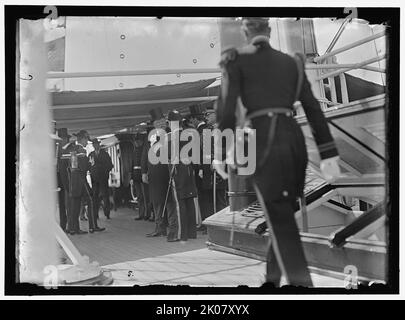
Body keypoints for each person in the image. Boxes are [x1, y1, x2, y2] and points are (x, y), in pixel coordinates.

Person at [214, 17, 341, 287]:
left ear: (245, 31)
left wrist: (221, 152)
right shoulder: (292, 62)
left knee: (280, 218)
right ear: (270, 31)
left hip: (263, 144)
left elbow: (225, 113)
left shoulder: (235, 60)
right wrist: (328, 153)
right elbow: (313, 109)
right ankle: (271, 282)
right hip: (294, 144)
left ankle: (303, 286)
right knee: (281, 214)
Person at [142, 108, 179, 241]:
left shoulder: (171, 134)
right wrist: (143, 172)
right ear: (154, 124)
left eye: (163, 121)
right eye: (158, 122)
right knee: (157, 202)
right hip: (153, 174)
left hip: (166, 172)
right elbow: (144, 155)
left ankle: (173, 229)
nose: (161, 124)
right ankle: (160, 228)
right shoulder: (149, 136)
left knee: (170, 203)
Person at [167, 110, 198, 241]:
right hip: (189, 170)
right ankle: (192, 233)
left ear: (171, 122)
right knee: (189, 201)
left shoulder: (170, 137)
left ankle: (180, 234)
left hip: (178, 170)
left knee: (180, 204)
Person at [69, 130, 106, 234]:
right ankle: (92, 226)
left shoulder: (73, 149)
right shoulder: (81, 150)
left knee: (75, 205)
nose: (87, 143)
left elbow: (73, 166)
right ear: (83, 139)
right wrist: (91, 163)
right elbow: (84, 167)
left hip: (73, 180)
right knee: (91, 200)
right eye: (86, 140)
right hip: (81, 179)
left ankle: (73, 229)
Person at [89, 138, 114, 220]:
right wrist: (92, 173)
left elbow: (110, 165)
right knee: (95, 197)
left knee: (105, 196)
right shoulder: (91, 154)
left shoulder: (105, 154)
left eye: (96, 144)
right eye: (93, 144)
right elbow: (89, 166)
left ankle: (107, 213)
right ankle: (95, 215)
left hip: (103, 178)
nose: (95, 145)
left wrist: (104, 171)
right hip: (95, 179)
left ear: (98, 144)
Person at [56, 128, 74, 232]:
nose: (61, 140)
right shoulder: (57, 150)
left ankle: (70, 226)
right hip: (59, 181)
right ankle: (63, 225)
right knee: (62, 204)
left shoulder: (69, 149)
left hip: (67, 181)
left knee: (69, 204)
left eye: (63, 138)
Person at [131, 132, 151, 220]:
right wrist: (131, 177)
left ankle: (148, 214)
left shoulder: (144, 150)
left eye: (138, 141)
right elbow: (132, 165)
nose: (137, 143)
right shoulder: (134, 151)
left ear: (141, 141)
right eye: (136, 141)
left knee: (146, 196)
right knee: (139, 197)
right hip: (136, 176)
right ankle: (141, 214)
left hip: (143, 175)